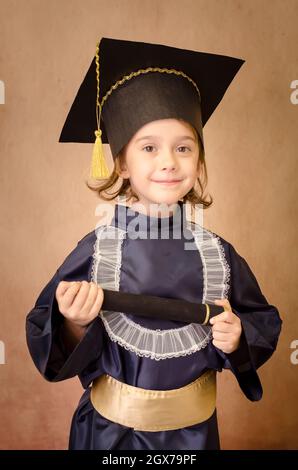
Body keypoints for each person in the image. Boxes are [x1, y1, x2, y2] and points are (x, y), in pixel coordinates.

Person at [26, 37, 282, 450]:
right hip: (108, 438)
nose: (169, 161)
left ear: (198, 161)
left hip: (193, 437)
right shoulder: (96, 251)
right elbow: (47, 330)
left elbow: (262, 320)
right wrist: (74, 322)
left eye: (184, 148)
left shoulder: (219, 254)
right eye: (149, 148)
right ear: (123, 164)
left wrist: (238, 338)